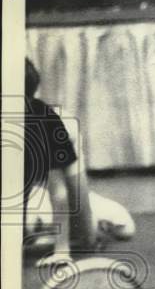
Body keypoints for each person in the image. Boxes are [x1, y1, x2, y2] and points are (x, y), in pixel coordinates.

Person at [23, 58, 135, 260]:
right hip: (25, 191)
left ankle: (47, 226)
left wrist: (62, 250)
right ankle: (39, 225)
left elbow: (61, 192)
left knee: (123, 228)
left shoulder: (49, 122)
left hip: (50, 187)